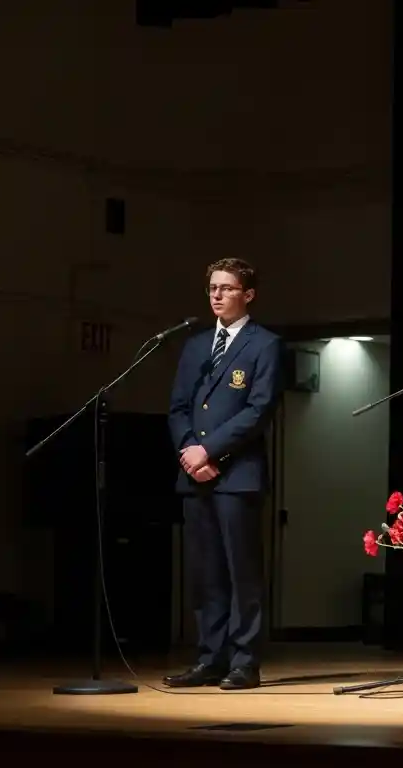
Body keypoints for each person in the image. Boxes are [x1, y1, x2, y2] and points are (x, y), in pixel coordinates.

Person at [163, 258, 284, 691]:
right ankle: (209, 658)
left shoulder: (264, 344)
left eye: (227, 288)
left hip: (238, 475)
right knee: (206, 572)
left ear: (247, 294)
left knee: (241, 572)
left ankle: (244, 661)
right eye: (212, 287)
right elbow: (178, 407)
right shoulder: (196, 345)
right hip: (195, 475)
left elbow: (259, 409)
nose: (216, 295)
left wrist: (209, 450)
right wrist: (189, 455)